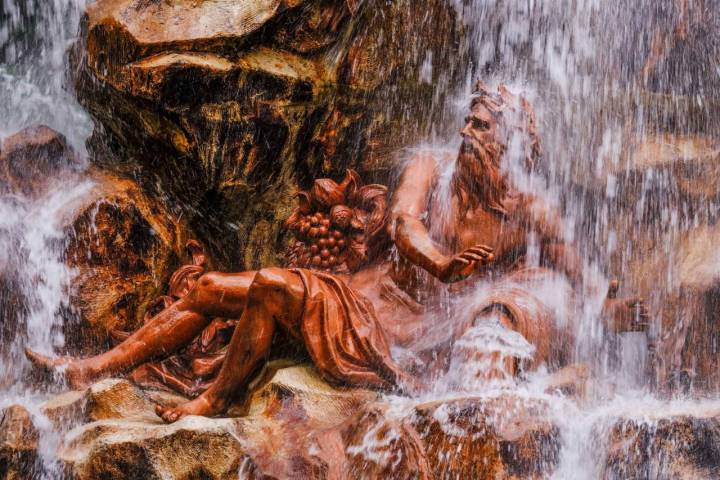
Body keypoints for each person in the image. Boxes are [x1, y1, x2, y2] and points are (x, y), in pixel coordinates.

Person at [27, 82, 646, 422]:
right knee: (210, 287)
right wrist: (438, 261)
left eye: (482, 126)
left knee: (267, 287)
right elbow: (404, 225)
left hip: (412, 336)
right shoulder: (431, 167)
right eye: (468, 120)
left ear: (510, 139)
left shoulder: (531, 213)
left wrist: (616, 313)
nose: (466, 132)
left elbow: (582, 281)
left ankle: (213, 401)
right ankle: (95, 367)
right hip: (363, 297)